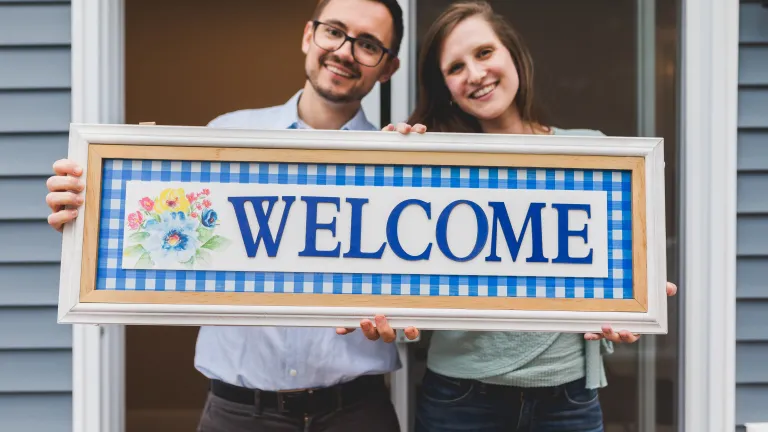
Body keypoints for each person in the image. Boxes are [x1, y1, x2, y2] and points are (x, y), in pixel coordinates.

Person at [44, 0, 406, 431]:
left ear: (387, 68)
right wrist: (86, 211)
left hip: (357, 414)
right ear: (309, 35)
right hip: (237, 414)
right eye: (334, 31)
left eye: (367, 44)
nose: (345, 51)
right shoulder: (224, 138)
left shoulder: (400, 162)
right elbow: (160, 236)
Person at [338, 2, 679, 431]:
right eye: (455, 67)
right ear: (444, 87)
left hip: (569, 399)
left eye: (484, 53)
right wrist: (393, 164)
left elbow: (620, 272)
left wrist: (634, 302)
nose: (475, 74)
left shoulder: (592, 151)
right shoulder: (435, 166)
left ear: (513, 55)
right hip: (461, 400)